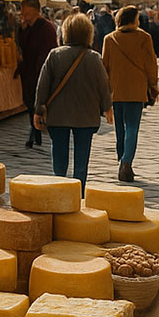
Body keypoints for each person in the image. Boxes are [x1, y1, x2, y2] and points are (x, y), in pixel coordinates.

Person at [33, 12, 113, 191]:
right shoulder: (94, 58)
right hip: (86, 116)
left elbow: (42, 85)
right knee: (81, 160)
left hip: (58, 115)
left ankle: (60, 187)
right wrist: (107, 107)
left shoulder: (55, 55)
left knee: (59, 155)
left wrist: (38, 110)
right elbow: (103, 85)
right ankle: (79, 192)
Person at [102, 5, 159, 182]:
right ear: (134, 20)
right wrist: (153, 87)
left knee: (120, 129)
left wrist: (105, 92)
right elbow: (151, 65)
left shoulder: (109, 39)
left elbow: (104, 67)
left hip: (116, 90)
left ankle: (122, 162)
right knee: (132, 128)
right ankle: (126, 163)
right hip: (136, 89)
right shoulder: (144, 38)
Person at [16, 0, 57, 149]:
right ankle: (36, 132)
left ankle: (34, 134)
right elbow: (23, 46)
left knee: (38, 103)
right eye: (23, 11)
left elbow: (47, 51)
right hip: (28, 72)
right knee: (30, 103)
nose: (23, 15)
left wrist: (42, 71)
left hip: (41, 72)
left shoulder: (46, 28)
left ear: (36, 11)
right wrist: (22, 30)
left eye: (26, 12)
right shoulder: (26, 28)